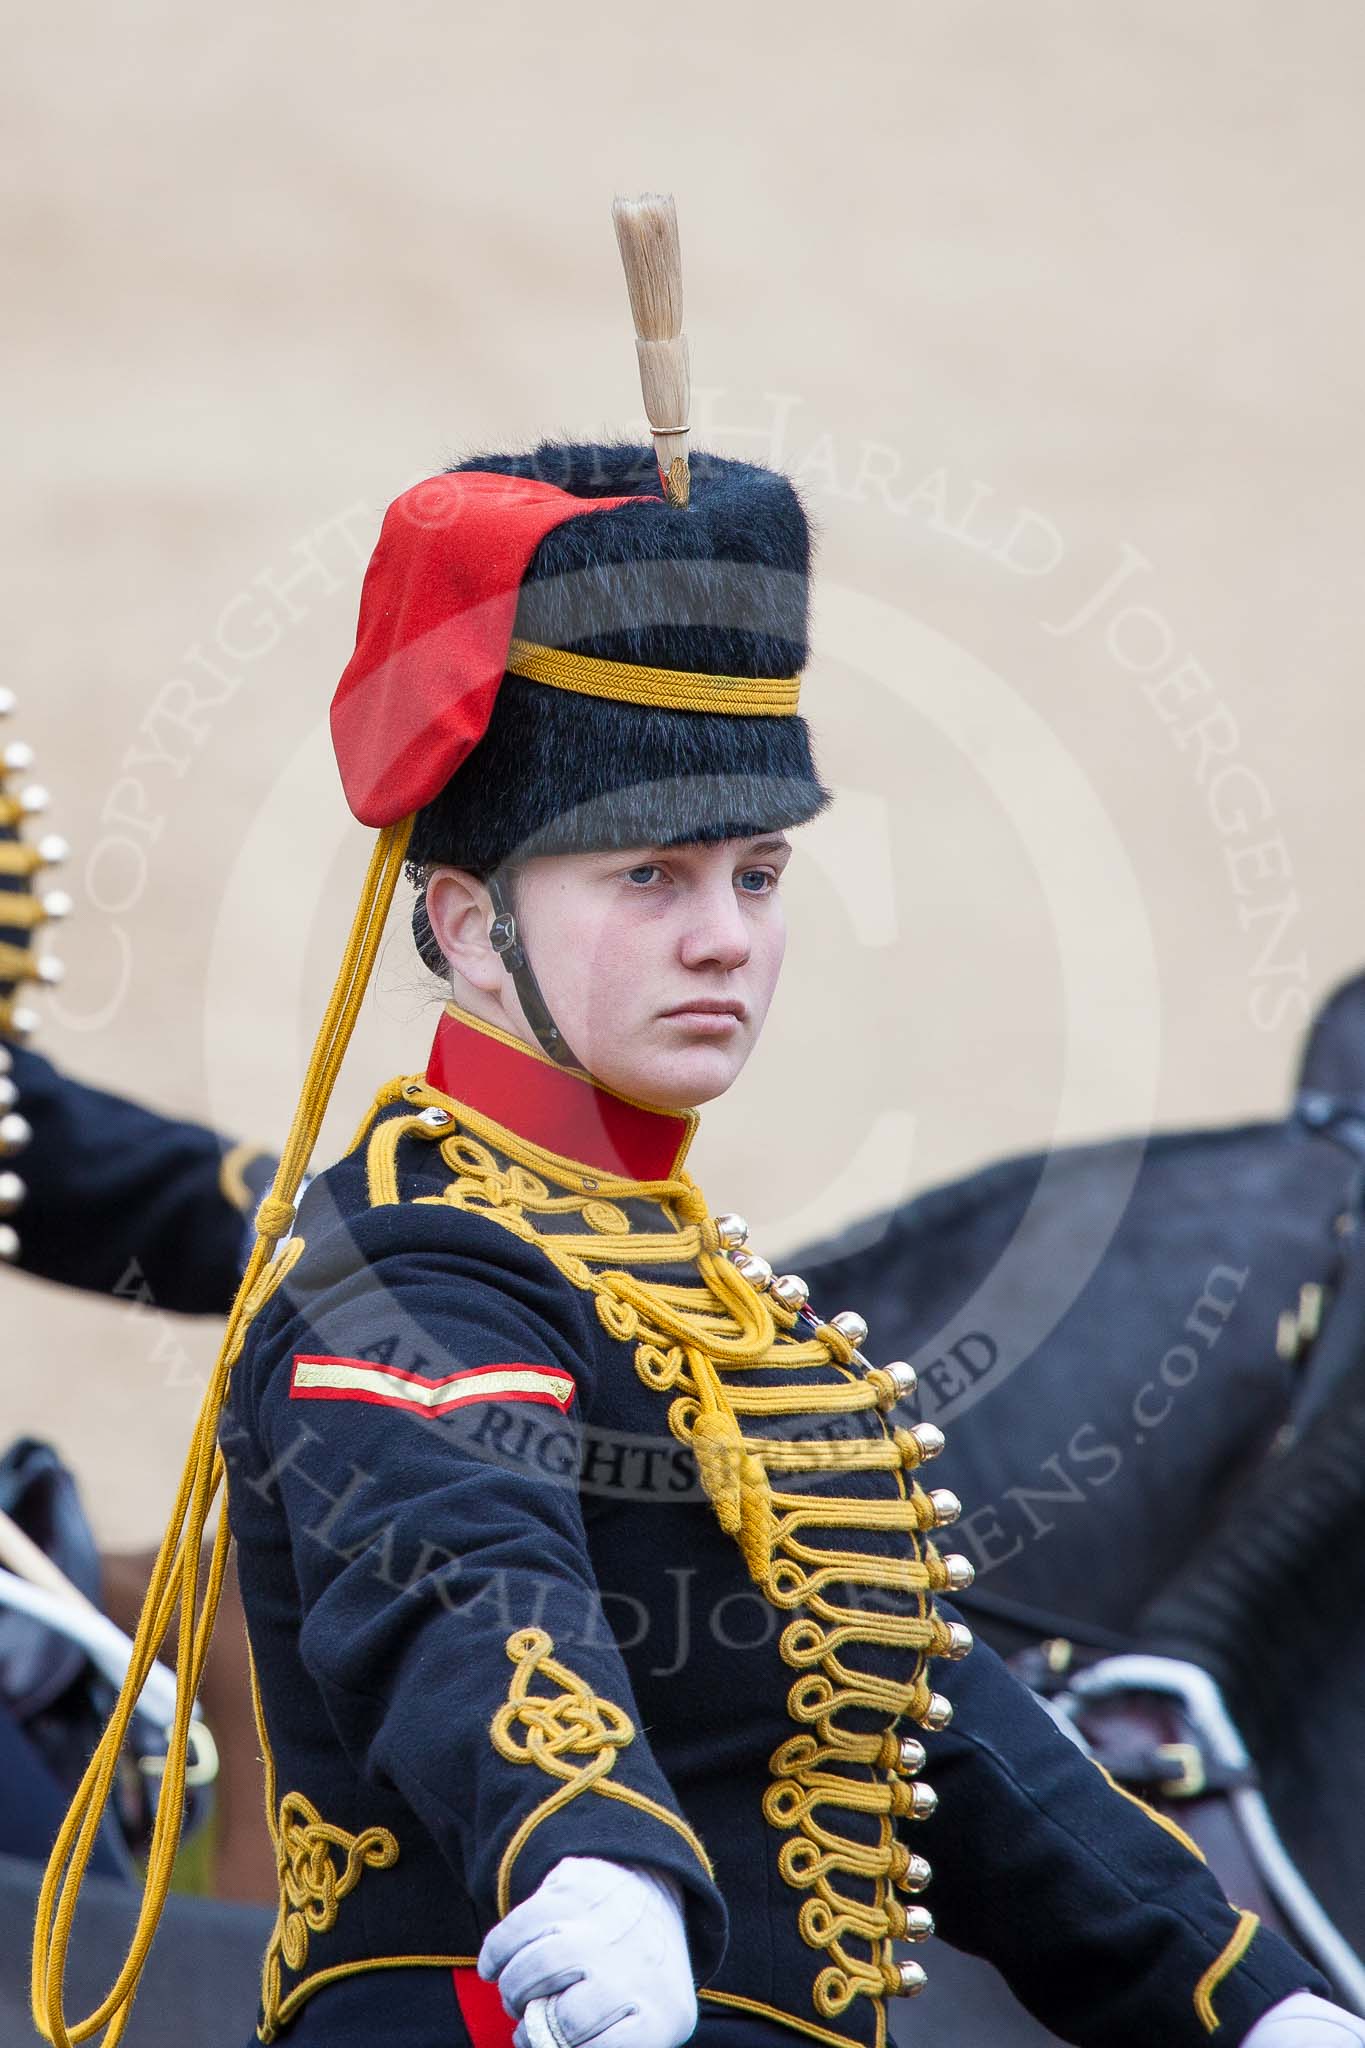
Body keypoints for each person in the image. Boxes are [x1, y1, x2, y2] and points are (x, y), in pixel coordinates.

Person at [31, 253, 1365, 2048]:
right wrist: (584, 1856)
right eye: (645, 878)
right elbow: (460, 1574)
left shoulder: (748, 1326)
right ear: (462, 924)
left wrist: (1253, 2007)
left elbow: (947, 1740)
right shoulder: (406, 1269)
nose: (725, 936)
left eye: (755, 876)